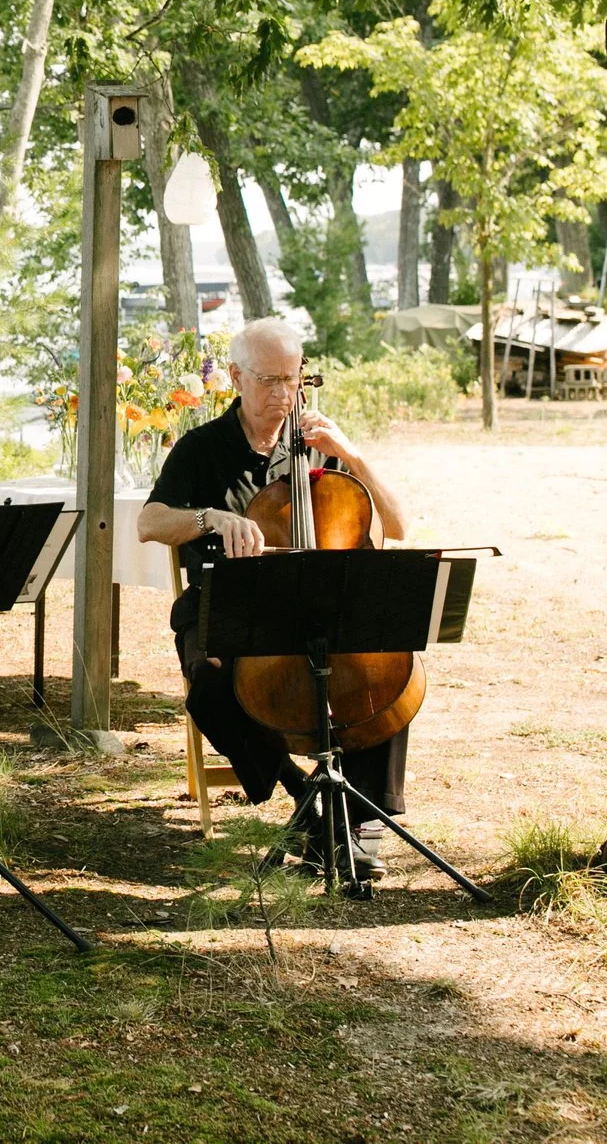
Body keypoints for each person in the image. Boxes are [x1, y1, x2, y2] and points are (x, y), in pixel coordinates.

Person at [134, 316, 413, 876]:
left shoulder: (318, 446)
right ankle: (305, 800)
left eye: (292, 379)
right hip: (230, 605)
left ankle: (362, 824)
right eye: (269, 381)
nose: (283, 395)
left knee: (385, 668)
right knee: (210, 683)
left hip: (317, 608)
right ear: (236, 376)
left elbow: (398, 526)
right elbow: (148, 522)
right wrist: (208, 518)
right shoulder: (202, 448)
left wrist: (352, 454)